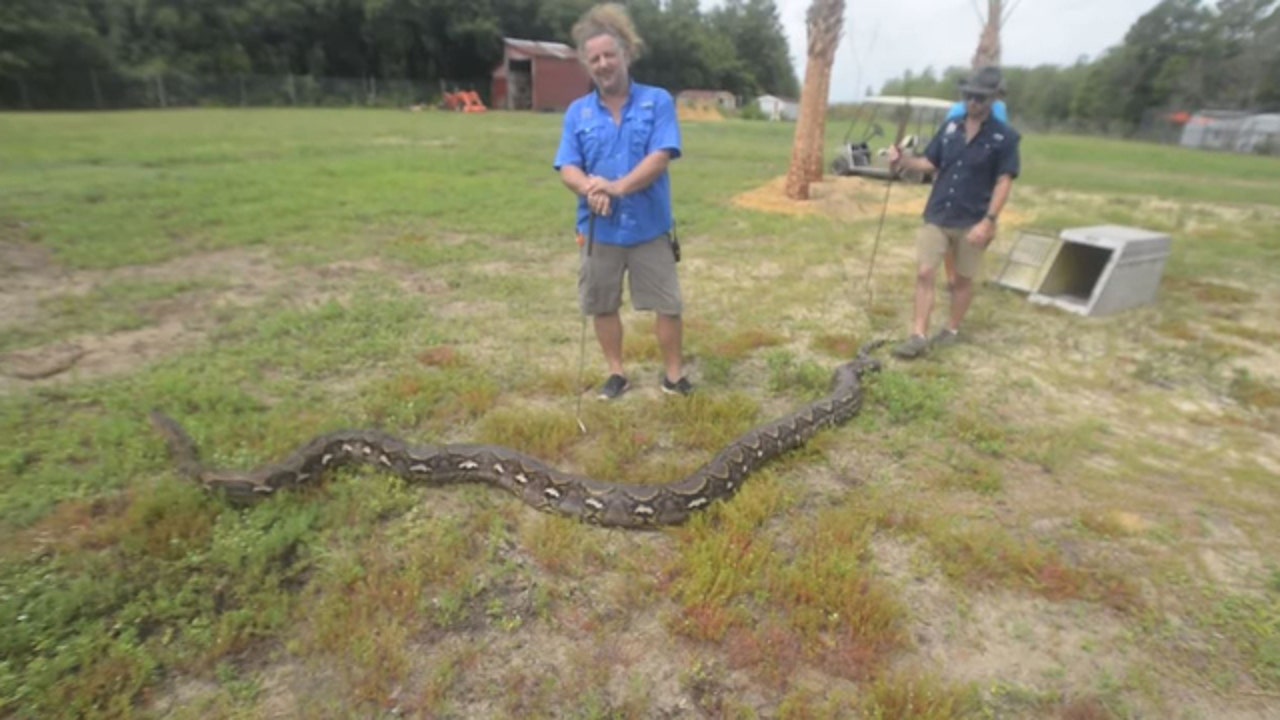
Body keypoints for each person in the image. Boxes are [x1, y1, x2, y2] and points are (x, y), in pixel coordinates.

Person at [554, 3, 690, 399]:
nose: (602, 63)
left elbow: (661, 156)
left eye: (609, 55)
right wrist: (588, 190)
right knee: (602, 304)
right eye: (593, 58)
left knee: (669, 305)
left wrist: (616, 187)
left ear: (626, 55)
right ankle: (616, 373)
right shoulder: (577, 113)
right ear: (587, 65)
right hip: (600, 231)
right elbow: (568, 167)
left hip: (650, 227)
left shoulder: (657, 101)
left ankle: (674, 376)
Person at [887, 66, 1020, 359]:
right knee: (925, 272)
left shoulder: (1005, 138)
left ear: (994, 99)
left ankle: (951, 329)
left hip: (973, 219)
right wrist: (903, 161)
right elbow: (930, 163)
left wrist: (989, 221)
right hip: (938, 213)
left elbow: (1004, 181)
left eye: (981, 98)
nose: (974, 101)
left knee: (960, 280)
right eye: (970, 95)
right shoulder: (950, 128)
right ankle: (918, 335)